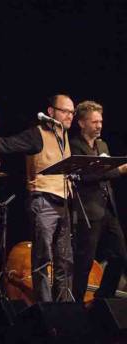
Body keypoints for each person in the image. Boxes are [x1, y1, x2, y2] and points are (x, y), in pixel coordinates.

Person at [0, 94, 75, 302]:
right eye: (65, 111)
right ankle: (45, 308)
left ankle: (63, 309)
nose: (69, 116)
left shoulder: (63, 136)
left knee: (64, 261)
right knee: (43, 258)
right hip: (43, 201)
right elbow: (8, 145)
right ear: (51, 112)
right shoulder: (37, 135)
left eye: (72, 112)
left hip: (64, 203)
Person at [70, 100, 127, 302]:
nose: (99, 125)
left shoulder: (102, 144)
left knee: (120, 256)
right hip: (88, 210)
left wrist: (110, 171)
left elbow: (103, 171)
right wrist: (117, 171)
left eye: (100, 121)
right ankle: (75, 304)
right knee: (84, 261)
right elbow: (86, 176)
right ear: (82, 123)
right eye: (94, 122)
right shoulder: (75, 145)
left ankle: (103, 298)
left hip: (107, 208)